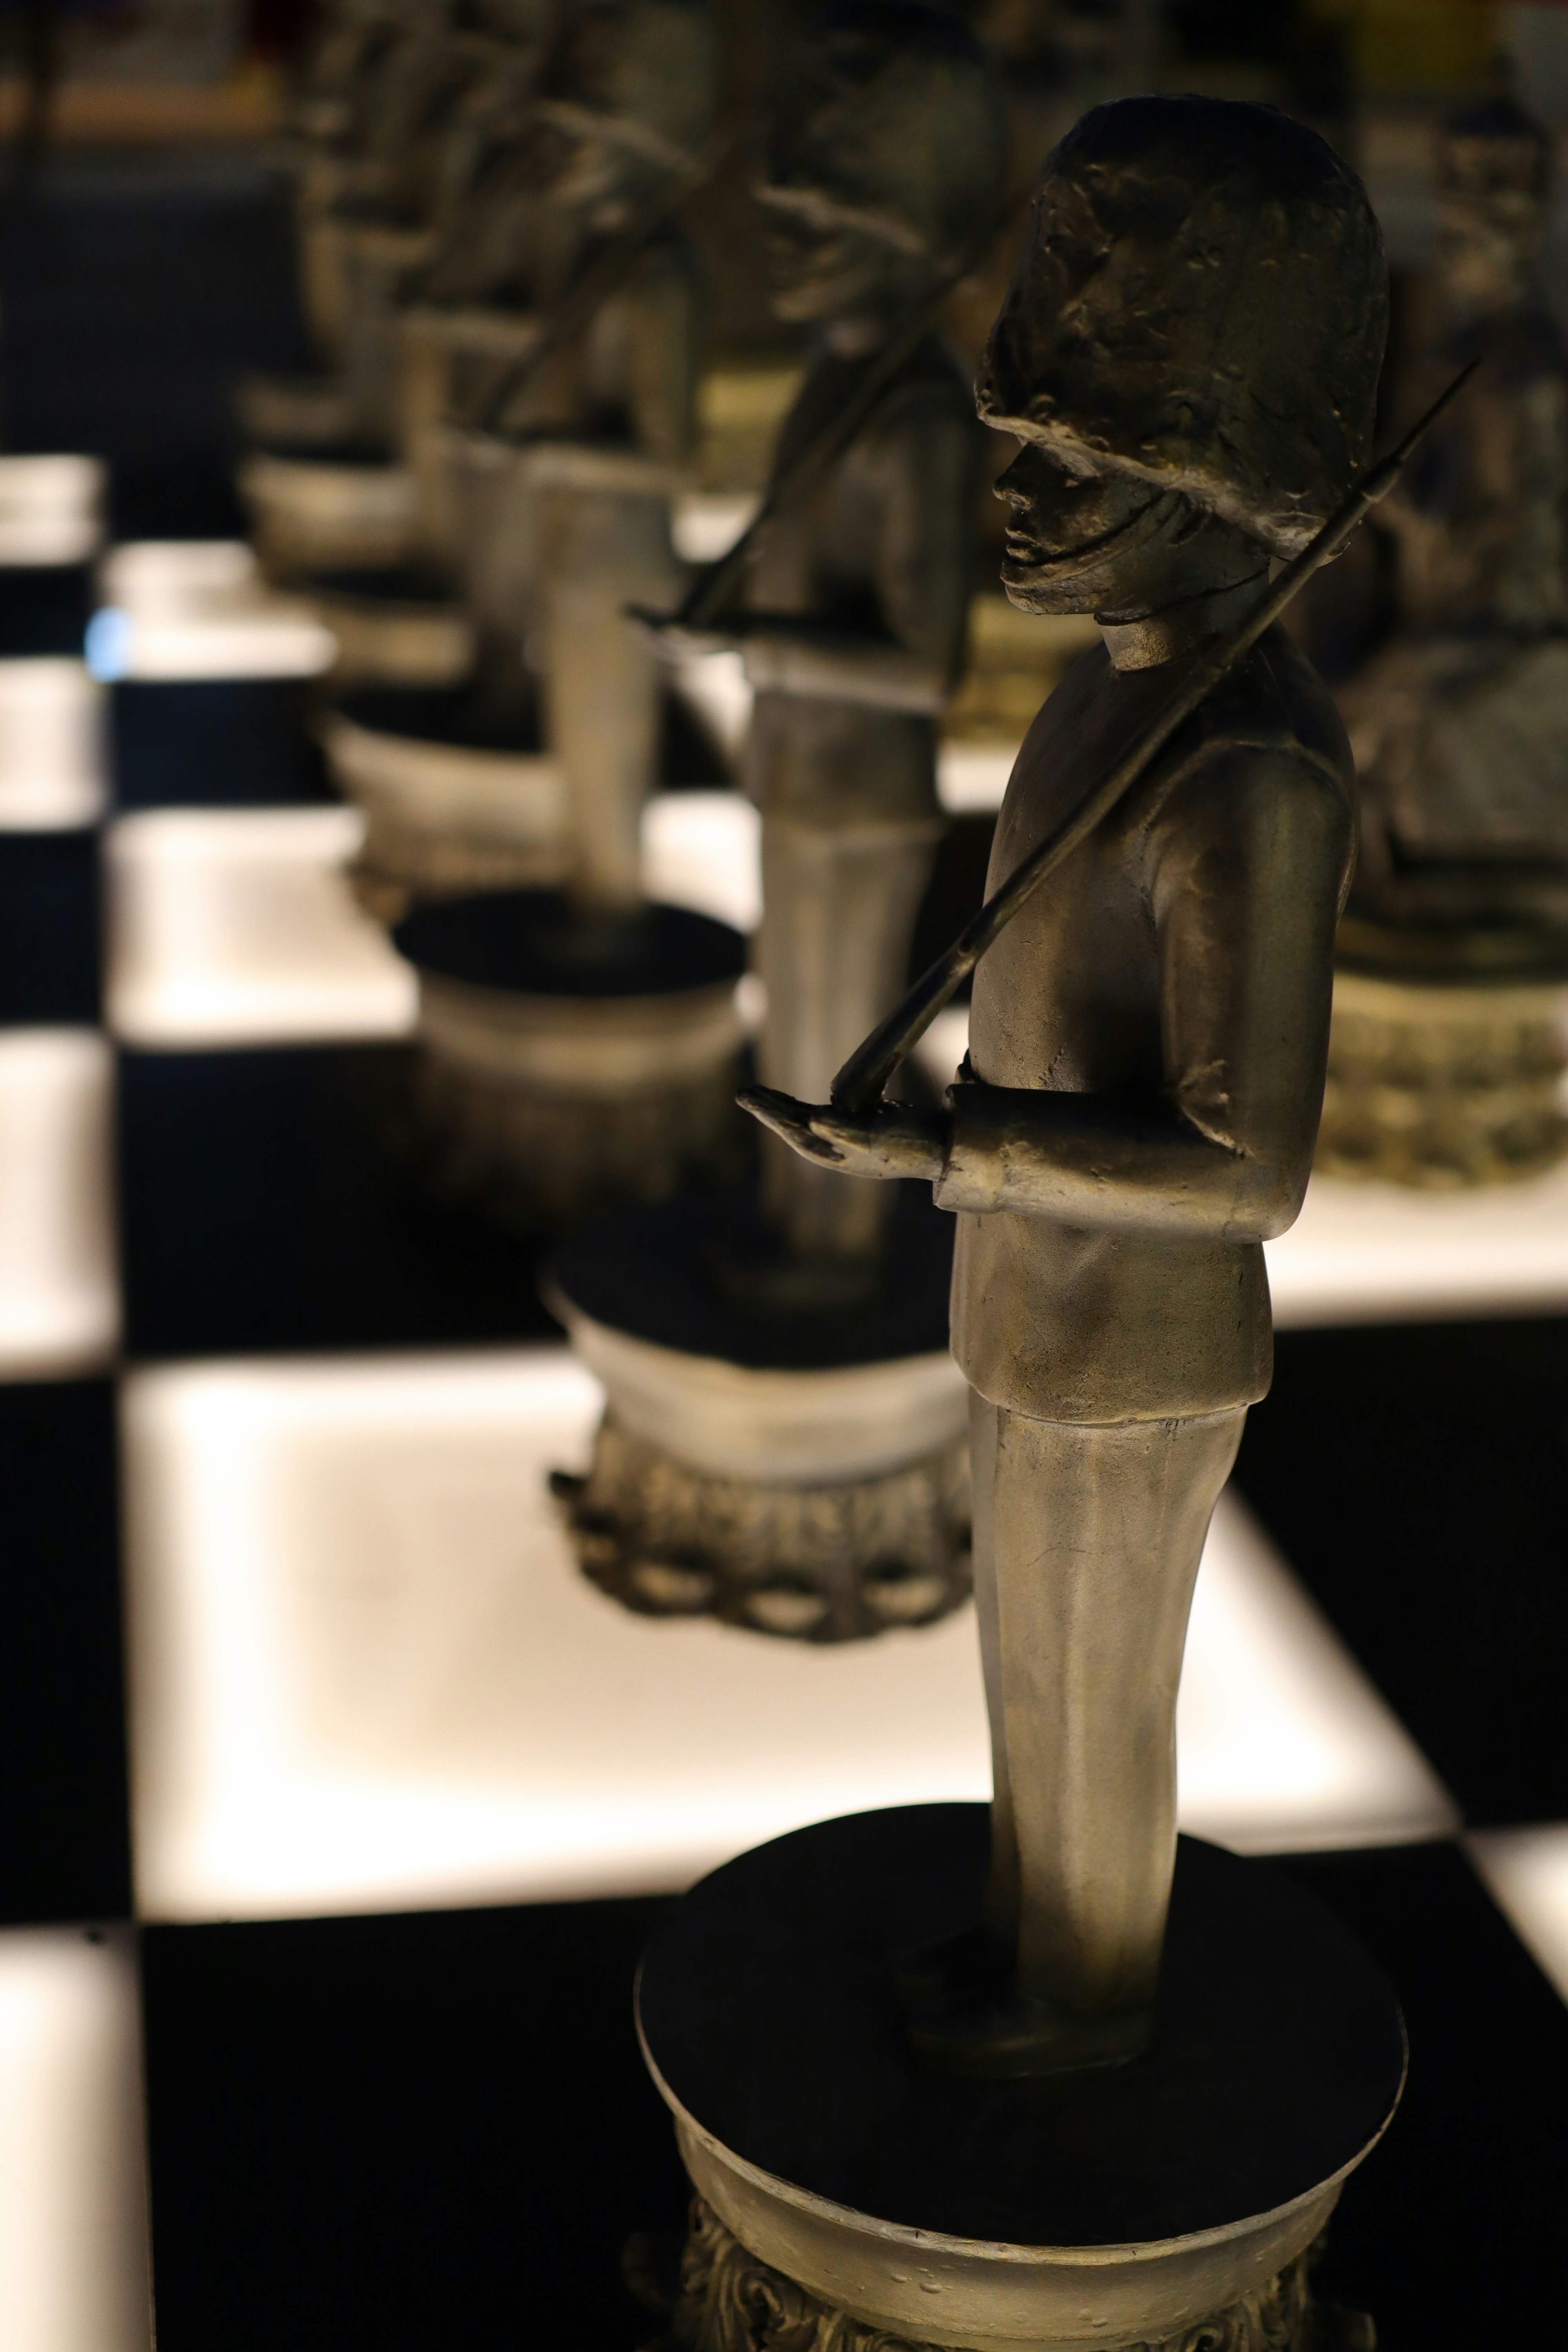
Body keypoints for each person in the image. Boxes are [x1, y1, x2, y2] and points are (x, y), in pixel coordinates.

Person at [747, 95, 1388, 2073]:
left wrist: (958, 1143)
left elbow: (1244, 1174)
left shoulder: (1245, 774)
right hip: (1031, 1304)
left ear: (1218, 479)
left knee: (1098, 1689)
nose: (1011, 491)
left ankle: (1095, 2003)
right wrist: (962, 1151)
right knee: (1025, 1673)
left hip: (1137, 1337)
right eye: (1020, 439)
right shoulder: (1109, 680)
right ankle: (1037, 1951)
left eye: (1080, 456)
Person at [655, 0, 1002, 1273]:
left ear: (895, 229)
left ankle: (836, 1257)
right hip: (801, 769)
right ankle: (789, 1228)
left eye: (816, 220)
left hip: (863, 787)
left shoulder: (914, 418)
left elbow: (924, 666)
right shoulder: (833, 380)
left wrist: (761, 639)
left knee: (840, 1046)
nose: (779, 240)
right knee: (788, 1023)